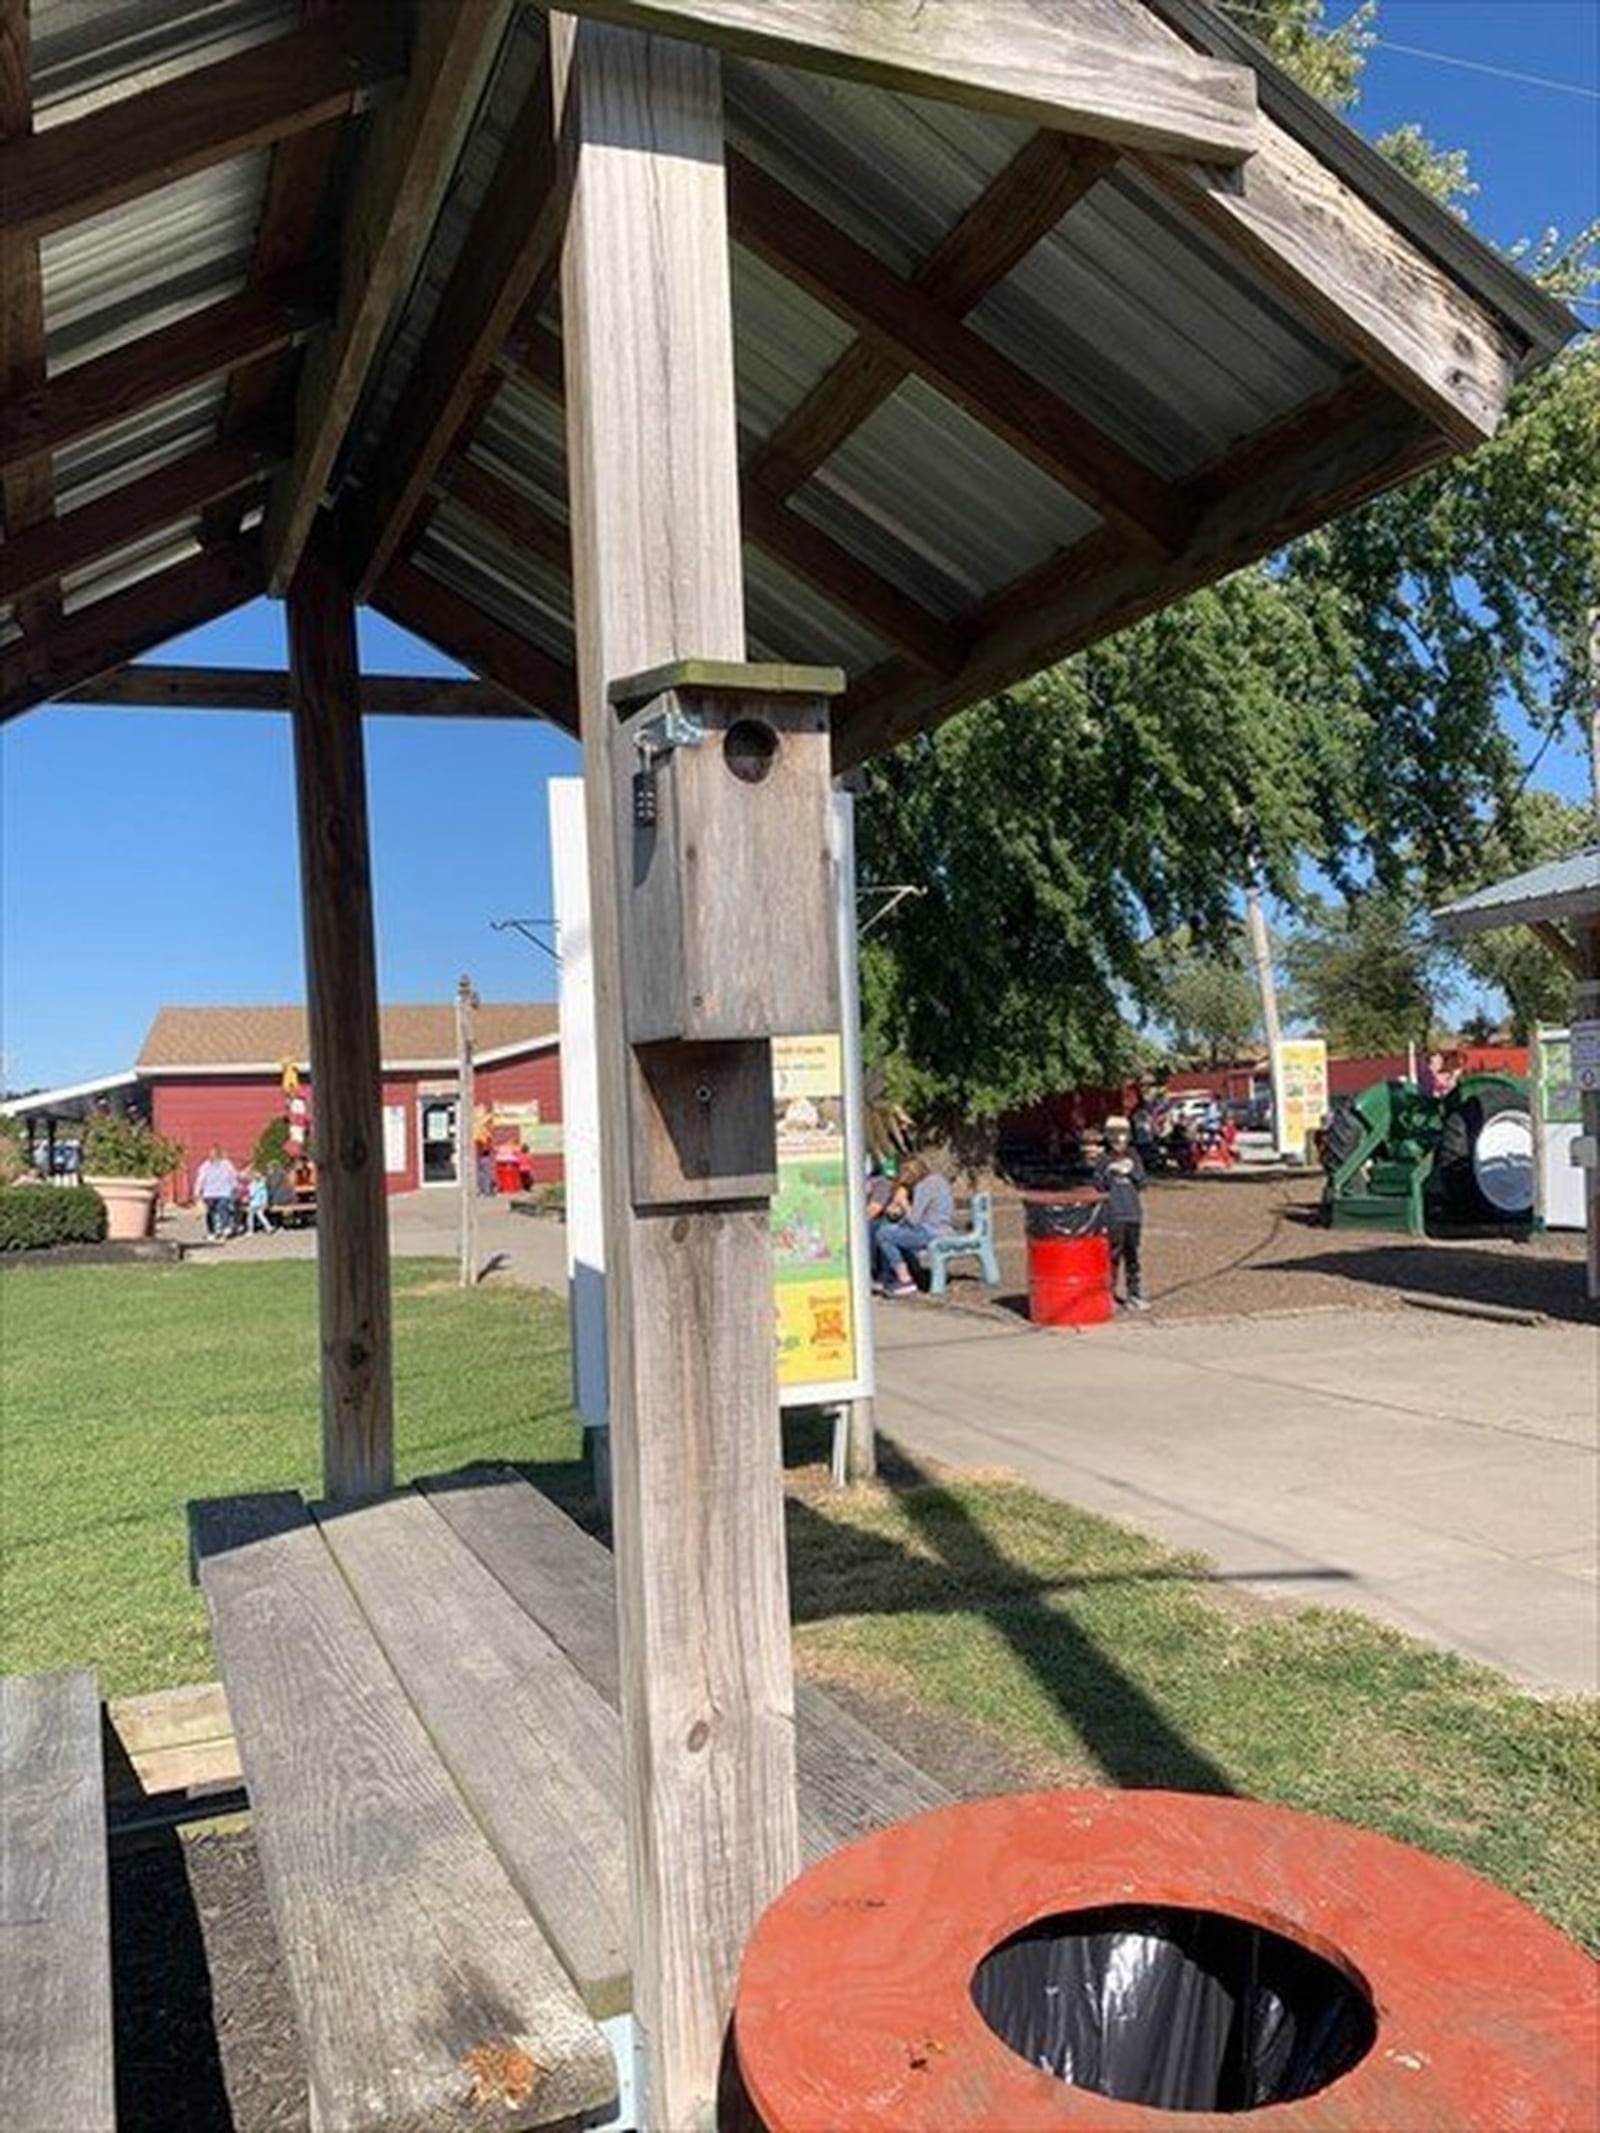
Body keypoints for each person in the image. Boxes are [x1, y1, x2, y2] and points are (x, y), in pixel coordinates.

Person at [871, 1154, 954, 1297]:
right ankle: (894, 1274)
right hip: (945, 1229)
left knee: (883, 1234)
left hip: (931, 1232)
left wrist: (903, 1203)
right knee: (893, 1232)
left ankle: (904, 1280)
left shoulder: (923, 1186)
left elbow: (914, 1221)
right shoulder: (939, 1180)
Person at [1094, 1115, 1148, 1310]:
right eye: (1114, 1136)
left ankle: (1134, 1294)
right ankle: (1109, 1295)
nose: (1119, 1141)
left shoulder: (1134, 1156)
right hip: (1113, 1214)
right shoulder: (1103, 1159)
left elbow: (1142, 1183)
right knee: (1112, 1257)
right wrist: (1110, 1171)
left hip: (1133, 1214)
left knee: (1132, 1256)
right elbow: (1098, 1186)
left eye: (1123, 1136)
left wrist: (1131, 1171)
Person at [194, 1144, 239, 1240]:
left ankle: (225, 1228)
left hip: (223, 1192)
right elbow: (200, 1179)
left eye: (214, 1154)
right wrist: (197, 1192)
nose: (212, 1156)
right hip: (209, 1193)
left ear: (219, 1154)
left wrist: (234, 1187)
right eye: (211, 1154)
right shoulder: (205, 1165)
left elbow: (233, 1176)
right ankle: (212, 1232)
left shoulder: (226, 1164)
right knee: (210, 1213)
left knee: (223, 1209)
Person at [244, 1169, 274, 1235]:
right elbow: (265, 1195)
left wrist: (246, 1199)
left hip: (253, 1203)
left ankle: (250, 1230)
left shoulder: (252, 1185)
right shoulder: (262, 1185)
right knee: (261, 1216)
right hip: (260, 1203)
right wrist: (264, 1202)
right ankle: (269, 1227)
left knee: (250, 1217)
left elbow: (251, 1194)